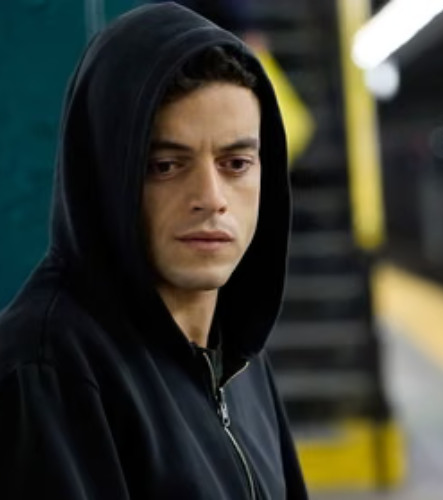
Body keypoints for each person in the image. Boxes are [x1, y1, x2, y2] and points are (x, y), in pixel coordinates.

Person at [0, 3, 308, 499]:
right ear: (106, 176)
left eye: (235, 163)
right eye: (165, 166)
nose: (211, 198)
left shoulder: (238, 356)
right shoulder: (47, 371)